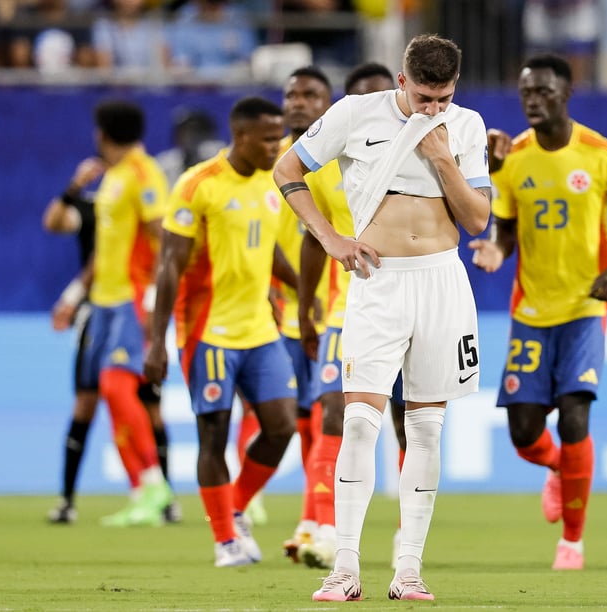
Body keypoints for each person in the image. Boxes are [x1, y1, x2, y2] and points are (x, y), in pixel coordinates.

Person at [274, 34, 491, 601]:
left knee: (423, 428)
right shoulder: (353, 114)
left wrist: (443, 156)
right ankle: (344, 568)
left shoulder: (465, 127)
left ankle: (409, 569)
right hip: (378, 282)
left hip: (443, 281)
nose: (432, 109)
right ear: (402, 79)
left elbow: (476, 221)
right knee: (359, 423)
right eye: (423, 96)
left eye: (443, 97)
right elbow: (287, 168)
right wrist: (328, 237)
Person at [469, 53, 607, 570]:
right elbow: (504, 226)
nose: (534, 101)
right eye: (526, 92)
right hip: (531, 309)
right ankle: (556, 469)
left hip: (583, 307)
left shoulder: (602, 155)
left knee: (575, 413)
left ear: (566, 95)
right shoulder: (513, 158)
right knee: (524, 432)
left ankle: (572, 541)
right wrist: (494, 249)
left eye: (544, 92)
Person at [144, 96, 299, 568]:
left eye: (280, 137)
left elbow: (268, 250)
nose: (277, 146)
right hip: (209, 331)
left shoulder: (274, 183)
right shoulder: (198, 186)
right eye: (269, 138)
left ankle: (234, 505)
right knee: (213, 437)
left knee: (282, 427)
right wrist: (157, 339)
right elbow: (170, 265)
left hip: (259, 330)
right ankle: (225, 539)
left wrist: (301, 291)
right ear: (241, 136)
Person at [293, 60, 407, 571]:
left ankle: (410, 530)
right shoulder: (334, 161)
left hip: (412, 304)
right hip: (348, 308)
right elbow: (315, 238)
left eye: (382, 96)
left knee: (410, 421)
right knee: (333, 412)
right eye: (362, 100)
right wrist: (305, 306)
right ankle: (320, 526)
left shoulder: (426, 149)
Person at [71, 100, 174, 527]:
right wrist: (77, 292)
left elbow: (163, 239)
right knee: (111, 396)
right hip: (104, 300)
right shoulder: (112, 176)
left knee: (116, 387)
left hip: (134, 298)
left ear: (102, 132)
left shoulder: (143, 173)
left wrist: (154, 298)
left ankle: (153, 485)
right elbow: (105, 247)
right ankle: (142, 490)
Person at [272, 64, 334, 563]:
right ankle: (312, 519)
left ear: (328, 104)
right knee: (300, 422)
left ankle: (318, 523)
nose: (297, 101)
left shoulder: (336, 161)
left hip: (327, 310)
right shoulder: (265, 159)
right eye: (291, 93)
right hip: (274, 319)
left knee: (322, 417)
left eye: (309, 94)